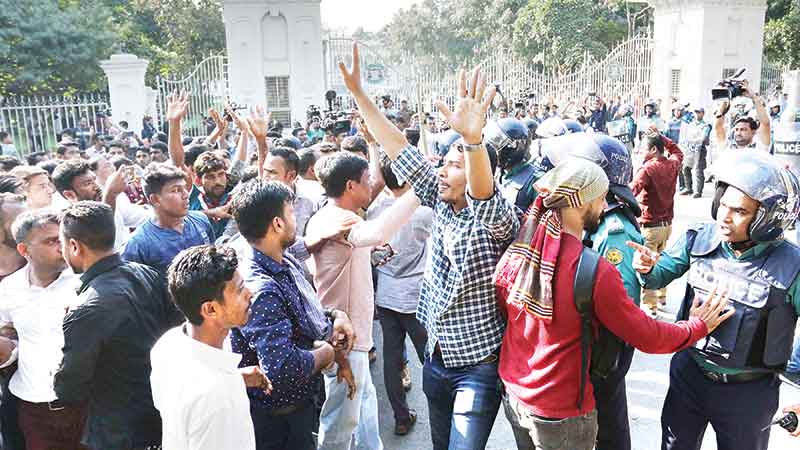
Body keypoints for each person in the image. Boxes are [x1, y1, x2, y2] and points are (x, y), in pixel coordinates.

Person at [339, 44, 519, 449]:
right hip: (436, 362)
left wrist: (472, 142)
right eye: (445, 162)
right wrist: (360, 95)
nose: (442, 170)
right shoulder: (438, 198)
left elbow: (483, 197)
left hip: (479, 368)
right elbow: (398, 149)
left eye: (455, 165)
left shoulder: (496, 217)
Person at [630, 151, 800, 450]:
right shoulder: (699, 237)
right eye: (722, 204)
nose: (725, 217)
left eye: (739, 211)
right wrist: (646, 269)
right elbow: (659, 276)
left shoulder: (792, 266)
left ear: (767, 219)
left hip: (748, 394)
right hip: (689, 375)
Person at [227, 180, 356, 450]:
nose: (295, 219)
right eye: (291, 212)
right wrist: (327, 354)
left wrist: (335, 315)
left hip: (298, 409)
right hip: (279, 423)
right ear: (277, 224)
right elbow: (281, 370)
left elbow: (299, 313)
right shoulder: (262, 290)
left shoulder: (281, 259)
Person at [306, 151, 420, 450]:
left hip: (353, 335)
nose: (372, 185)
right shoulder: (338, 219)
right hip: (345, 338)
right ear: (350, 186)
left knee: (364, 408)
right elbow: (377, 233)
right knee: (341, 422)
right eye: (367, 180)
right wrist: (419, 189)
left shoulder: (331, 216)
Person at [538, 134, 645, 450]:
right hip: (591, 351)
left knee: (609, 430)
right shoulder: (588, 220)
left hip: (604, 355)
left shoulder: (612, 231)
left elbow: (623, 315)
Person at [54, 201, 184, 450]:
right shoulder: (147, 273)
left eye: (62, 244)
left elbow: (69, 389)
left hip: (120, 431)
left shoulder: (85, 309)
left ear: (74, 246)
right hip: (163, 414)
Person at [151, 245, 271, 450]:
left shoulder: (168, 345)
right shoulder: (215, 399)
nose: (250, 293)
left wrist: (236, 378)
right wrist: (227, 385)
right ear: (211, 310)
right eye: (240, 289)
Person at [0, 210, 86, 450]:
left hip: (87, 406)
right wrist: (7, 348)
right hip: (35, 410)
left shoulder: (85, 282)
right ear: (24, 250)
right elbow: (9, 336)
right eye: (51, 241)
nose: (62, 246)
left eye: (64, 238)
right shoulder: (9, 290)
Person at [366, 159, 432, 435]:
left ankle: (401, 417)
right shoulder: (423, 212)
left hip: (386, 294)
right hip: (415, 297)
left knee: (391, 360)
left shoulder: (376, 209)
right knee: (430, 359)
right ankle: (443, 409)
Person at [122, 164, 214, 274]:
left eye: (184, 188)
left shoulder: (200, 221)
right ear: (155, 199)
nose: (185, 195)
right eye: (176, 190)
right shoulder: (138, 245)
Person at [630, 130, 683, 316]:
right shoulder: (673, 164)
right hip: (666, 226)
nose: (639, 152)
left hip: (650, 226)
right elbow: (677, 151)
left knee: (646, 265)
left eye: (643, 148)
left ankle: (650, 307)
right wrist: (662, 137)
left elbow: (633, 190)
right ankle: (661, 298)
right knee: (659, 261)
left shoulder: (648, 169)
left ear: (653, 149)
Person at [51, 159, 141, 252]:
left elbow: (144, 218)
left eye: (95, 180)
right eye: (88, 183)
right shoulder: (65, 220)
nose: (97, 187)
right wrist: (111, 195)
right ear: (69, 195)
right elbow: (100, 238)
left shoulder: (110, 202)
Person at [485, 118, 535, 207]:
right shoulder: (497, 171)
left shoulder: (535, 181)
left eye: (498, 142)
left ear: (515, 147)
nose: (493, 148)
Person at [712, 80, 771, 153]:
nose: (738, 133)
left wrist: (754, 97)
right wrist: (725, 100)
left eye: (743, 129)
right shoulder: (727, 149)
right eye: (737, 130)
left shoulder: (759, 148)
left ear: (753, 132)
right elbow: (718, 127)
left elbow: (765, 123)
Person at [680, 107, 712, 198]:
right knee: (686, 168)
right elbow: (686, 136)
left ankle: (698, 191)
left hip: (699, 149)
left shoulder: (705, 126)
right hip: (689, 148)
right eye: (696, 112)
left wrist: (693, 140)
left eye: (699, 112)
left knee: (698, 170)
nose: (697, 114)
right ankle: (688, 188)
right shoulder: (691, 124)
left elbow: (703, 138)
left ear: (703, 113)